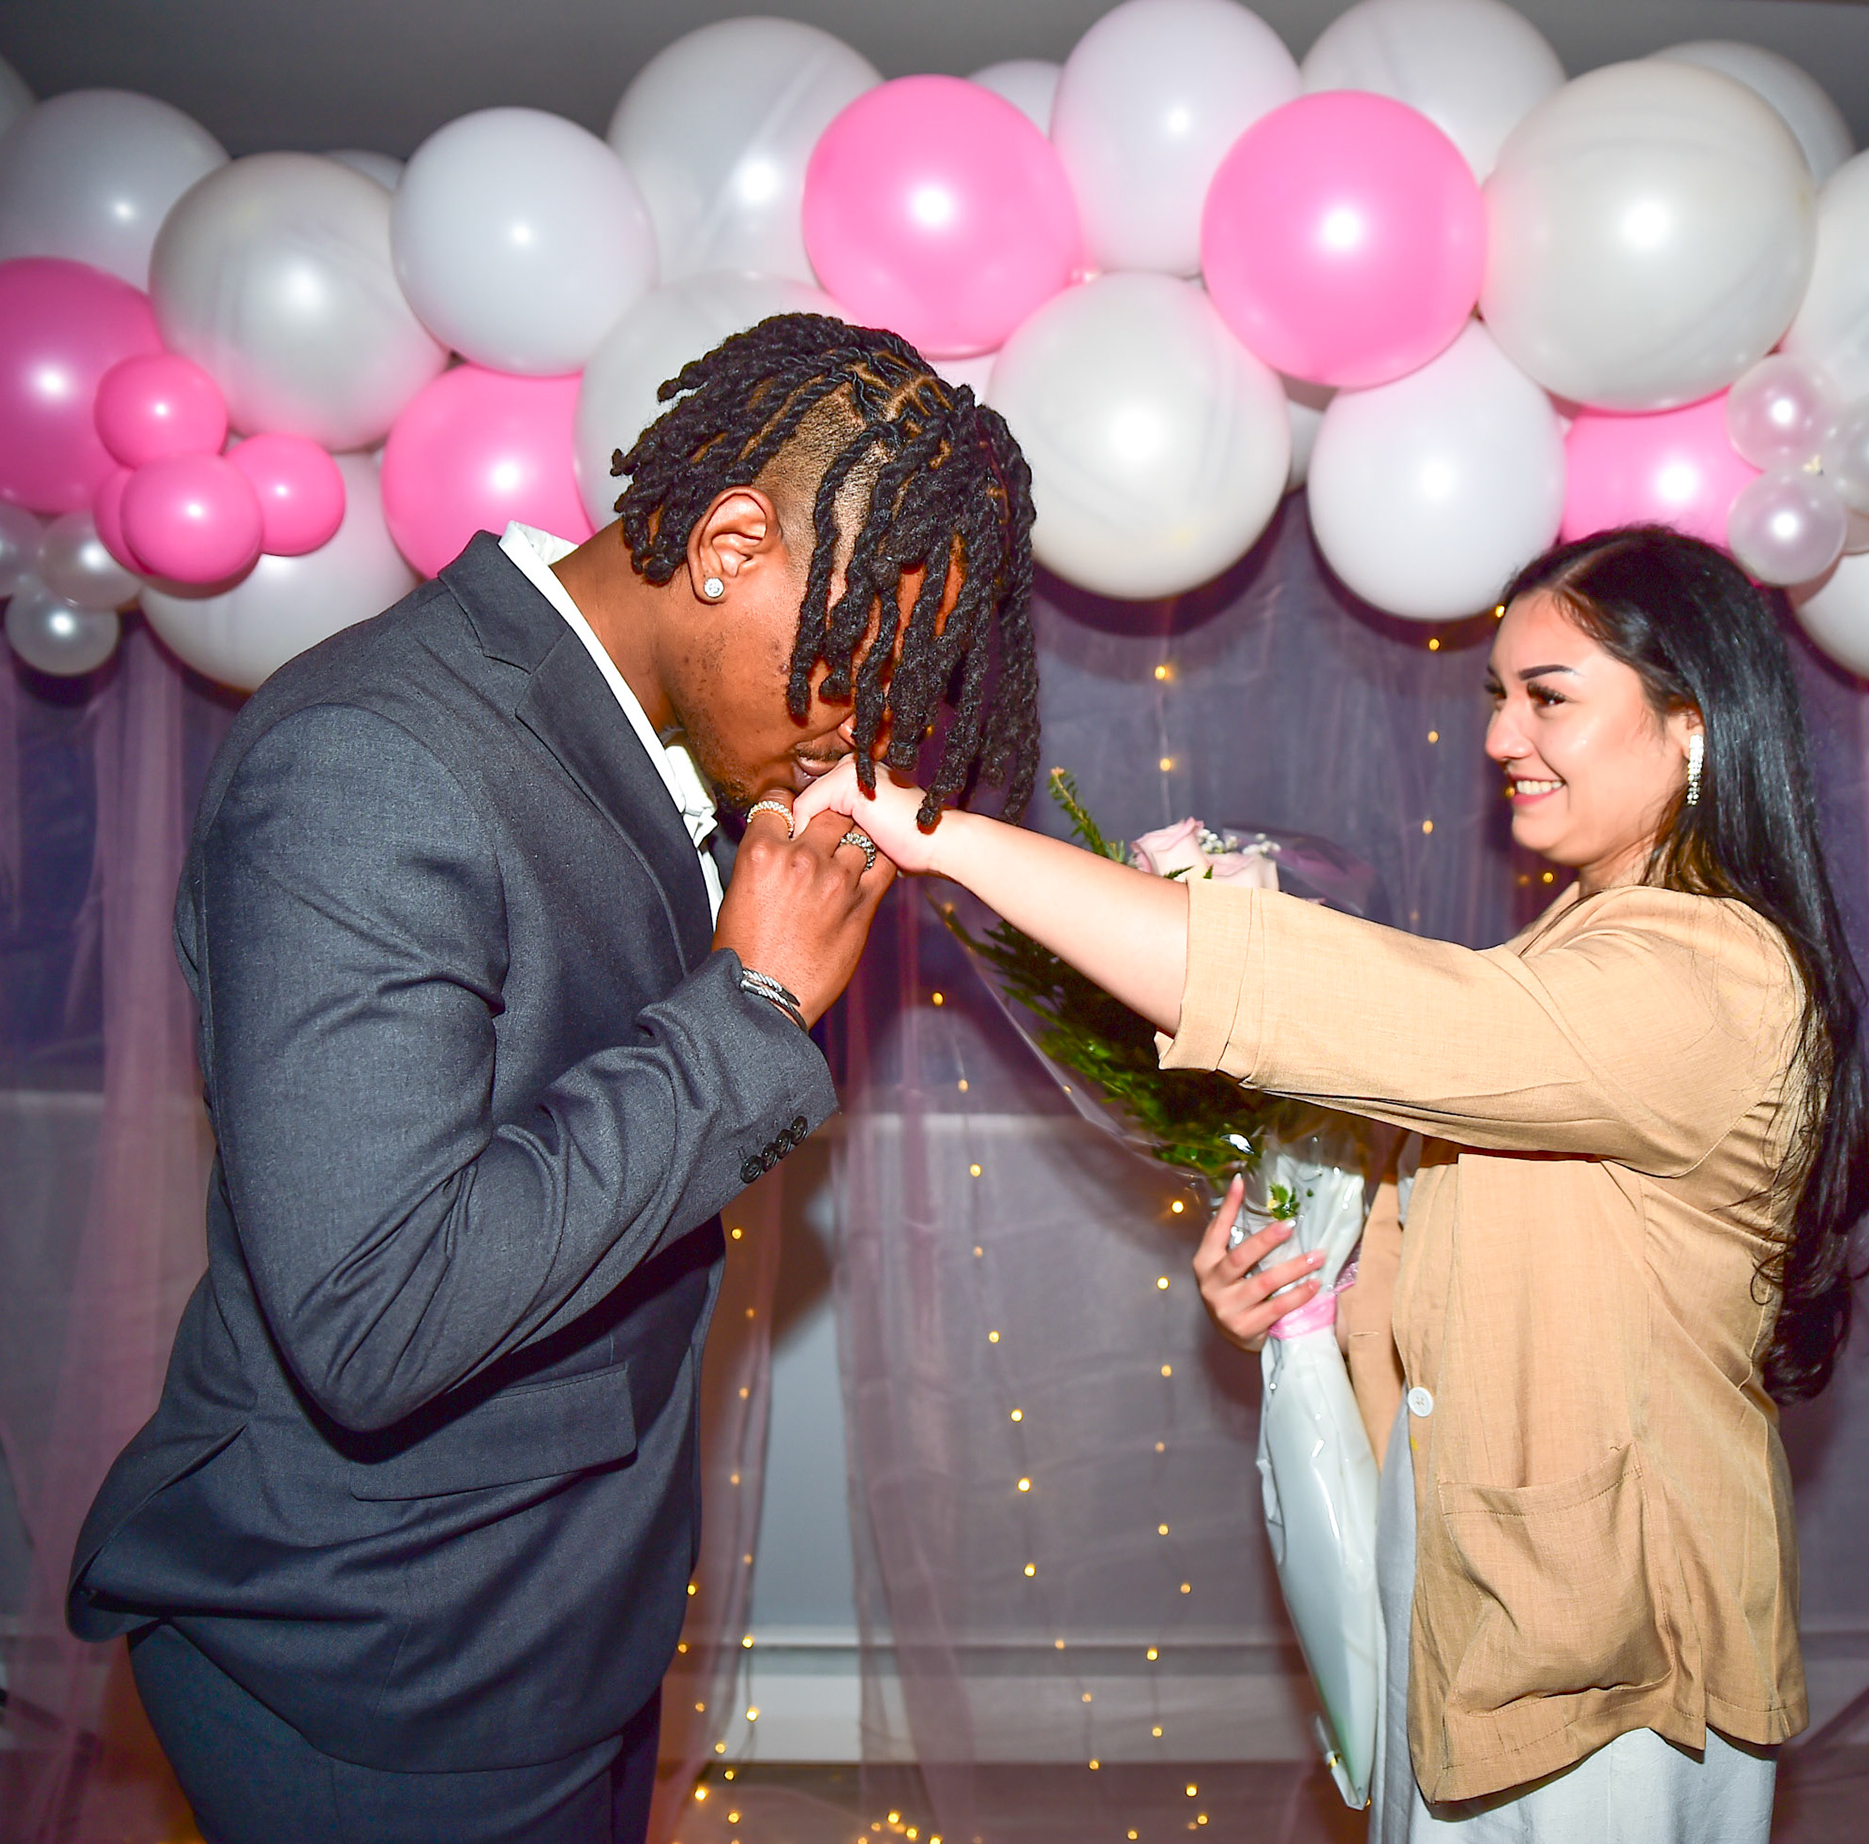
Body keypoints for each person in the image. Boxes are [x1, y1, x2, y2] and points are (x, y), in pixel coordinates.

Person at [66, 315, 1039, 1844]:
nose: (862, 735)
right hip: (389, 1657)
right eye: (857, 668)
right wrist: (754, 1006)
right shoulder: (371, 759)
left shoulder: (648, 738)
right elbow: (376, 1316)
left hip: (569, 1610)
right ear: (728, 546)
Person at [795, 526, 1869, 1843]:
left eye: (1548, 698)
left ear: (1692, 723)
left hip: (1603, 1645)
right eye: (1497, 697)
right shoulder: (1583, 942)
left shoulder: (1711, 975)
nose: (1499, 738)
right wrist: (1306, 1290)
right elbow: (1524, 1247)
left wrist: (945, 838)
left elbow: (1341, 1005)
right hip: (1477, 1588)